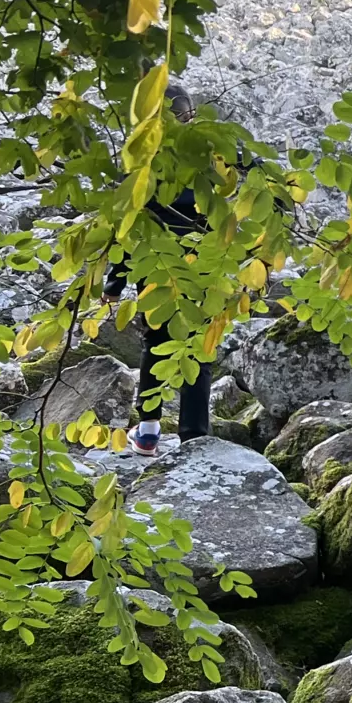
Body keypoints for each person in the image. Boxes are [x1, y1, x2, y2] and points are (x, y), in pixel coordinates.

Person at [108, 83, 212, 455]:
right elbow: (222, 212)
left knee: (155, 342)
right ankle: (195, 435)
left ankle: (149, 429)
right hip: (202, 262)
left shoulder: (138, 160)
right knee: (197, 346)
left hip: (153, 263)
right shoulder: (205, 157)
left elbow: (125, 225)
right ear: (188, 115)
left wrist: (114, 282)